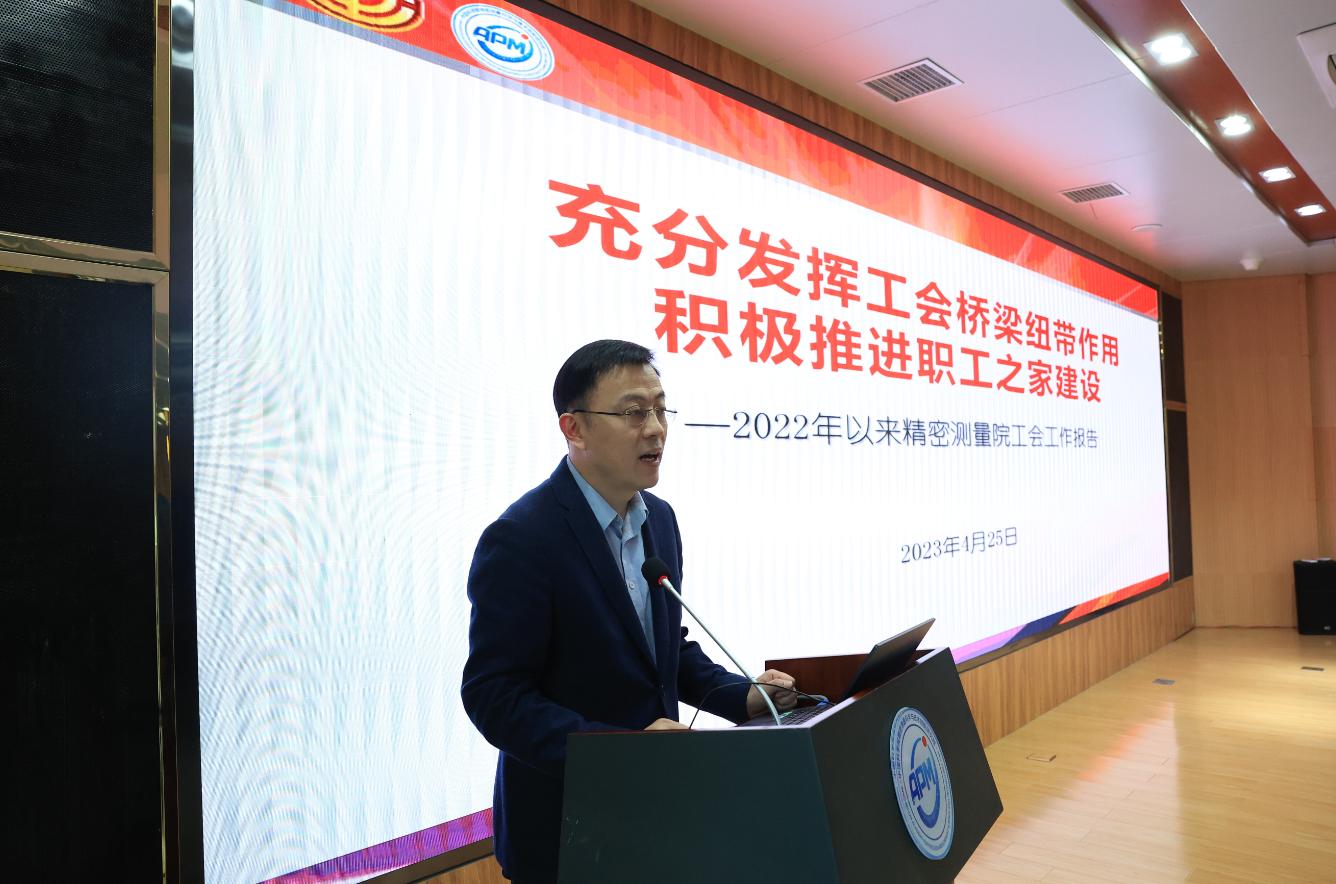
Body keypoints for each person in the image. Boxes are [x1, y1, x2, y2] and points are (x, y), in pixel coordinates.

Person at [461, 340, 797, 883]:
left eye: (661, 409)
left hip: (660, 818)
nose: (656, 428)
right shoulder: (522, 538)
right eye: (634, 412)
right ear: (574, 429)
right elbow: (494, 696)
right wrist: (620, 753)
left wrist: (742, 696)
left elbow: (661, 651)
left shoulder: (659, 519)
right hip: (568, 831)